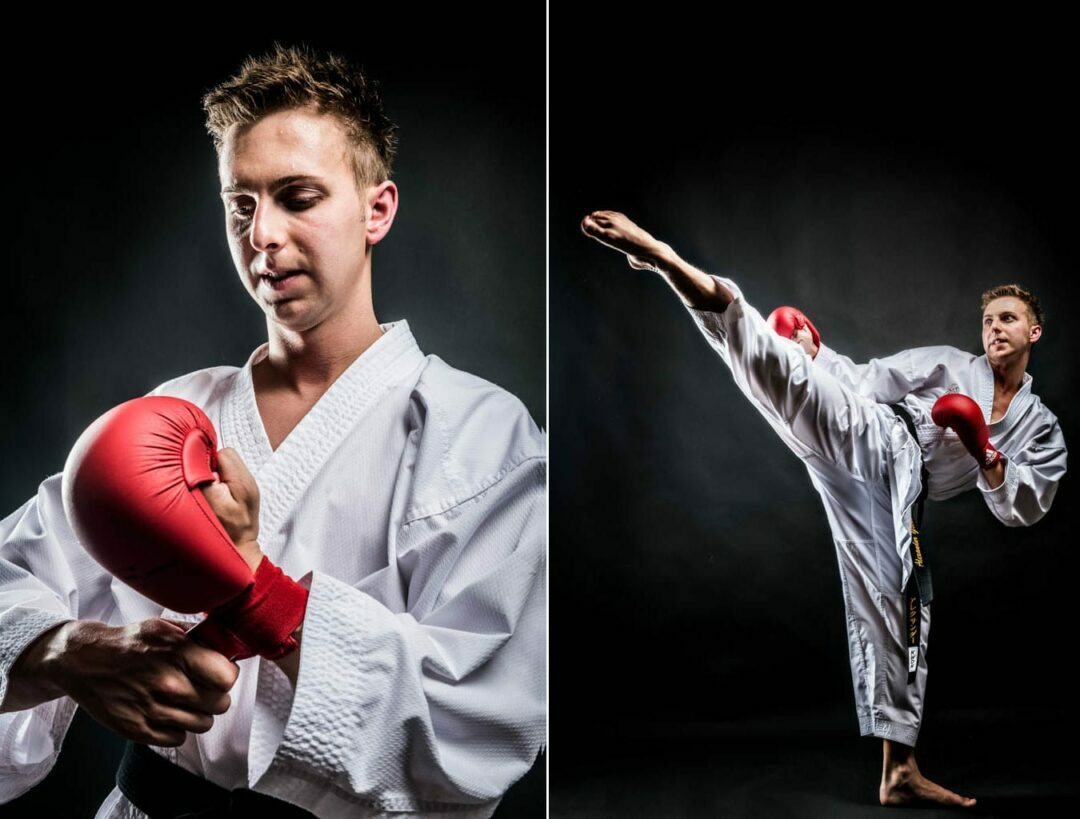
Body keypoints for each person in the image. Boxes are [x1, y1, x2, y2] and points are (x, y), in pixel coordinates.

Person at [0, 44, 545, 818]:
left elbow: (483, 722)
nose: (262, 234)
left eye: (297, 196)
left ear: (376, 209)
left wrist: (259, 590)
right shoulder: (171, 414)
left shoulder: (483, 437)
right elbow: (10, 573)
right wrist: (64, 652)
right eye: (241, 203)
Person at [581, 209, 1066, 808]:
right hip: (881, 435)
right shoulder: (948, 363)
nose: (994, 329)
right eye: (988, 320)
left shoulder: (1040, 428)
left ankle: (899, 771)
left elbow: (1026, 506)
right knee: (779, 368)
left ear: (1033, 333)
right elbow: (869, 381)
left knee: (898, 608)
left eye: (1008, 320)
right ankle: (667, 259)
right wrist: (820, 356)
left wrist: (984, 448)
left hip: (899, 495)